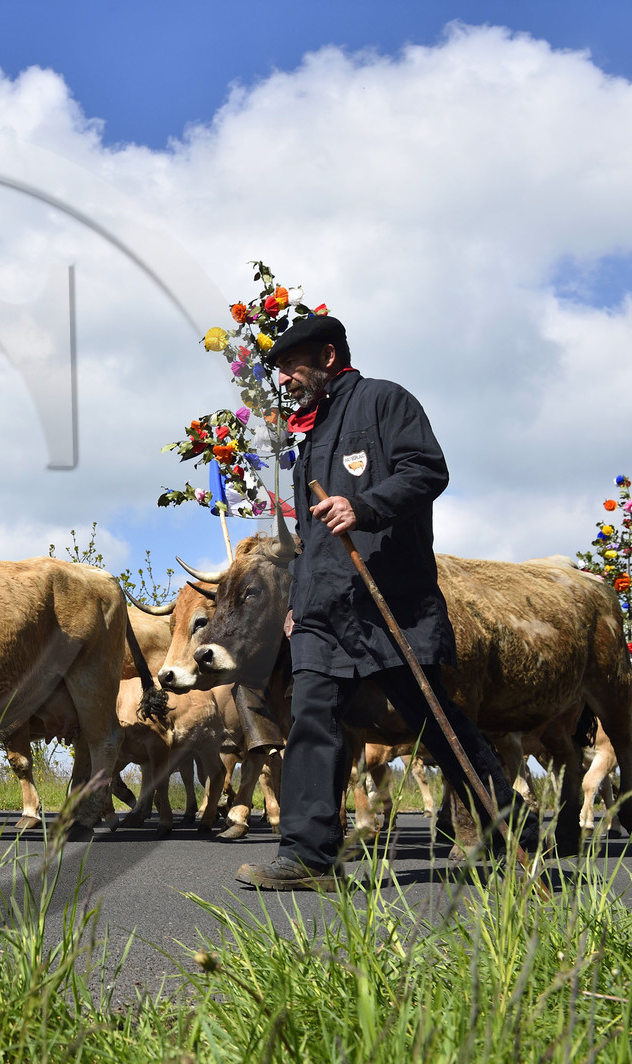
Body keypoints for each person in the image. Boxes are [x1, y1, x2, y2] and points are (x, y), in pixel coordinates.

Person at [234, 315, 536, 891]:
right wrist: (299, 600)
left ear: (328, 356)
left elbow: (427, 470)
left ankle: (509, 827)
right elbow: (311, 539)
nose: (284, 379)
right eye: (278, 370)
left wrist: (363, 507)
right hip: (324, 608)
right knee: (312, 718)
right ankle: (308, 857)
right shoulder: (310, 434)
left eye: (292, 366)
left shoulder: (385, 401)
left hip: (389, 597)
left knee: (433, 720)